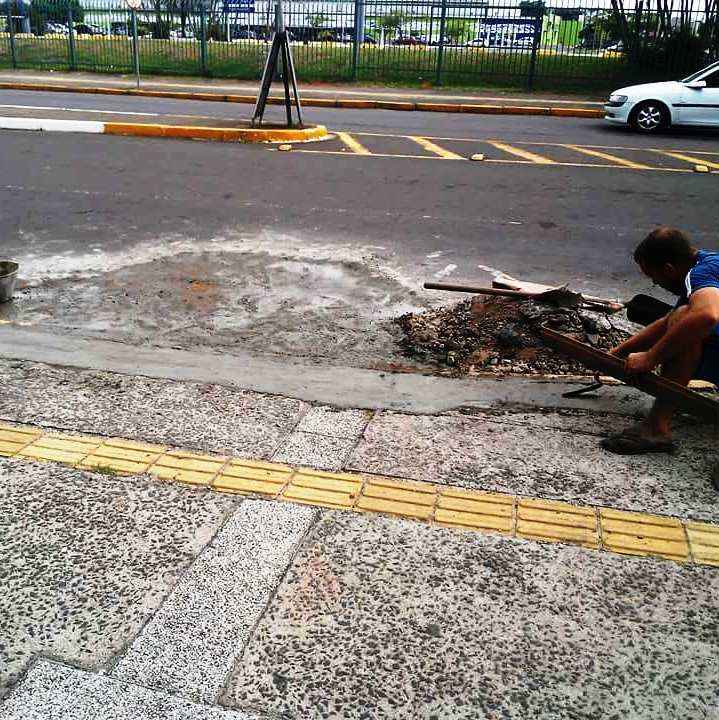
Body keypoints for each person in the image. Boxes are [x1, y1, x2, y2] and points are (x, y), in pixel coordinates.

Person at [602, 227, 719, 455]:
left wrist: (651, 357)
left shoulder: (699, 275)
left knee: (685, 325)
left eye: (655, 278)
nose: (656, 284)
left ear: (668, 269)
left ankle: (656, 428)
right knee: (680, 319)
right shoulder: (709, 263)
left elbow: (706, 316)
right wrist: (618, 353)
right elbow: (667, 321)